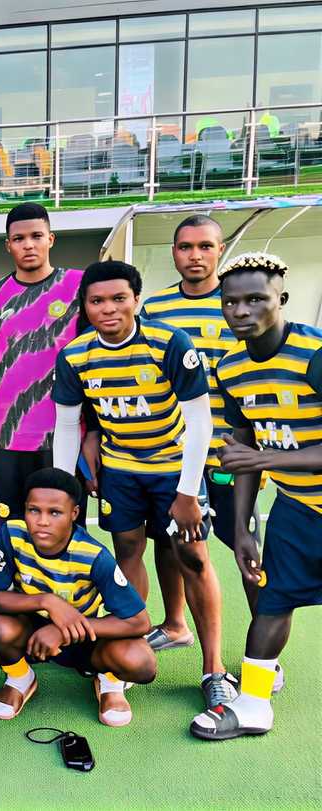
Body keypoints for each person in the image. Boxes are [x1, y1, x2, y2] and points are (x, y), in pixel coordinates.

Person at [51, 261, 234, 712]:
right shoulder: (75, 355)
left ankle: (214, 671)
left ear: (137, 299)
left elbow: (199, 419)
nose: (108, 308)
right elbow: (68, 425)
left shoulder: (170, 342)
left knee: (192, 557)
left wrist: (188, 492)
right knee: (128, 552)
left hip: (174, 470)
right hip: (120, 472)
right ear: (85, 306)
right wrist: (62, 492)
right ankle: (132, 649)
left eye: (118, 298)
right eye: (96, 301)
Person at [192, 251, 317, 740]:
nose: (240, 311)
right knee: (272, 603)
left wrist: (265, 461)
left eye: (255, 300)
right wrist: (242, 527)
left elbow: (254, 458)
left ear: (281, 300)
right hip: (298, 505)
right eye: (230, 302)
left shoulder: (315, 356)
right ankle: (253, 708)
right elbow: (241, 446)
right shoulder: (229, 368)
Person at [139, 215, 258, 651]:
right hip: (174, 452)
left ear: (220, 249)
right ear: (174, 252)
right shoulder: (154, 309)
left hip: (230, 452)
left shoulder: (241, 304)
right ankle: (175, 625)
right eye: (186, 247)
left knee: (244, 547)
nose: (195, 255)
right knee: (170, 543)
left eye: (205, 246)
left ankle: (262, 647)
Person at [0, 468, 157, 727]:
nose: (42, 521)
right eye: (33, 510)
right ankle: (19, 678)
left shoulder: (94, 555)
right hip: (32, 632)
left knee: (141, 661)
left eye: (55, 512)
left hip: (86, 636)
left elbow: (139, 622)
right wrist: (47, 601)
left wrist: (62, 631)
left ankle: (109, 680)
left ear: (74, 513)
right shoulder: (11, 534)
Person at [0, 203, 87, 524]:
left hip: (64, 434)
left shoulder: (78, 287)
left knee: (65, 534)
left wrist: (95, 435)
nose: (28, 244)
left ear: (51, 239)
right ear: (7, 245)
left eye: (36, 236)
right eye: (19, 238)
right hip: (6, 438)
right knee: (13, 532)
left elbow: (95, 362)